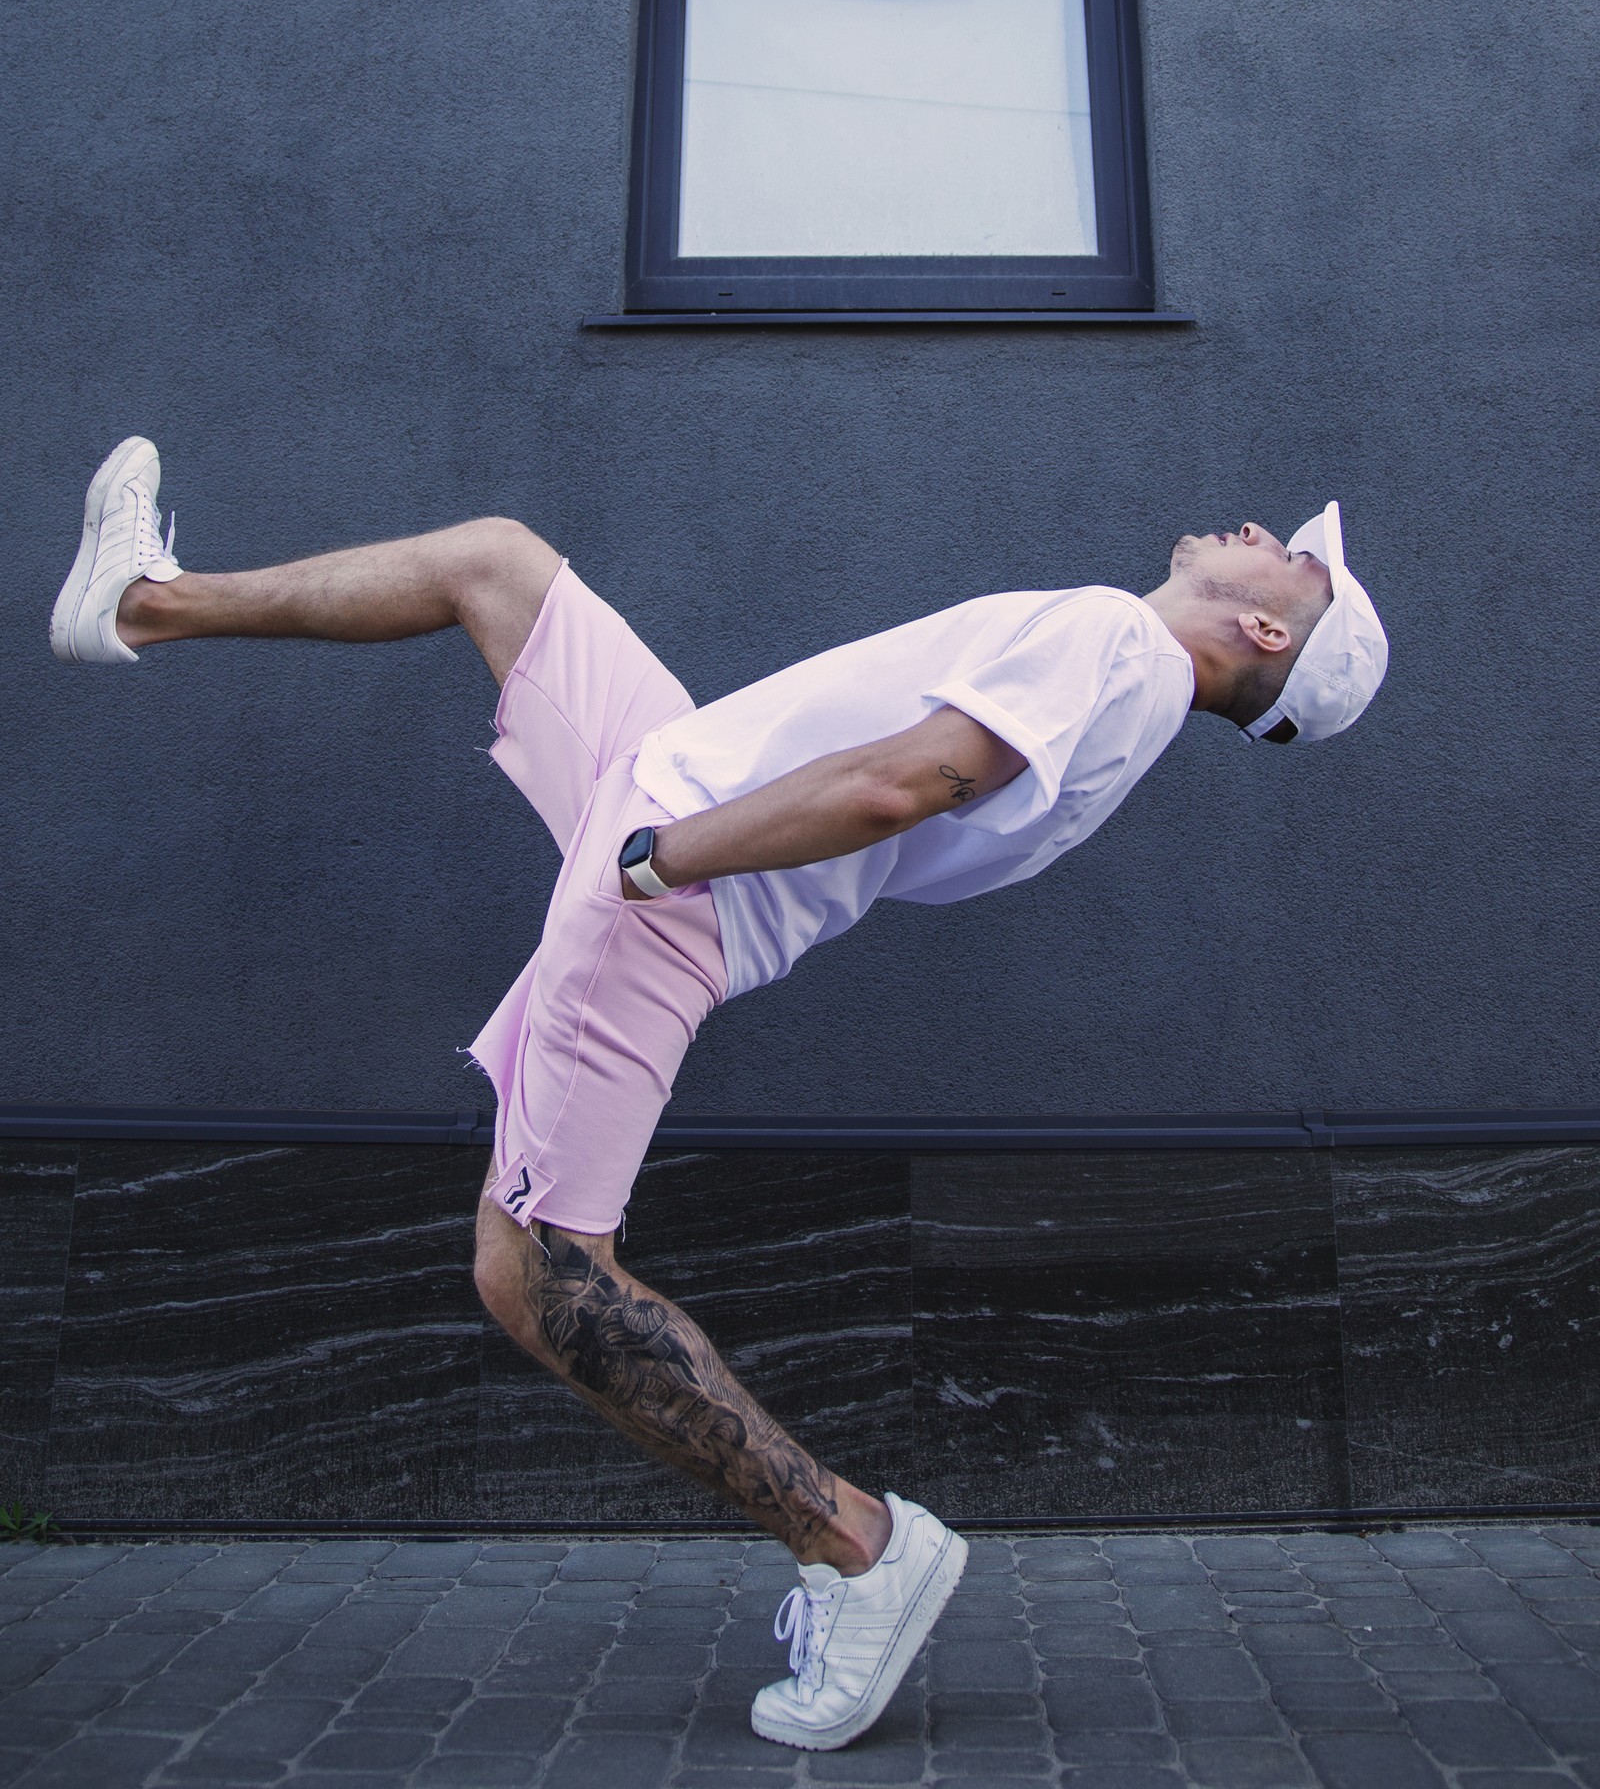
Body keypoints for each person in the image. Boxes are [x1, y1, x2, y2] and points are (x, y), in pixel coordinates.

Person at [49, 434, 1388, 1752]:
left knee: (538, 1273)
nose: (1263, 534)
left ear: (1271, 631)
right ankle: (142, 605)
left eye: (1293, 558)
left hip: (678, 870)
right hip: (671, 776)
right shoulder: (1127, 689)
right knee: (494, 562)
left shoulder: (1121, 645)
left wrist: (659, 861)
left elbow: (897, 785)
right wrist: (667, 832)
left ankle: (858, 1548)